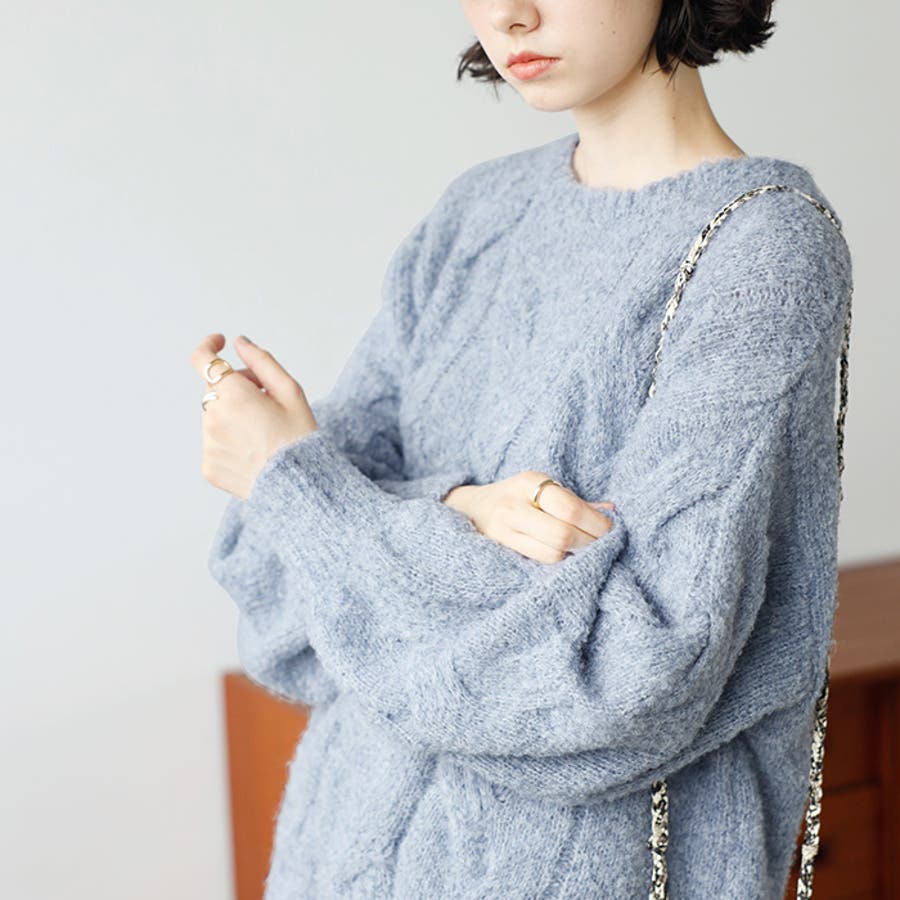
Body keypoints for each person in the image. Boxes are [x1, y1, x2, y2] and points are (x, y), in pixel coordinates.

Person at [193, 1, 854, 897]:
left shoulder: (762, 247)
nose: (510, 14)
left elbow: (628, 676)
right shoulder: (480, 212)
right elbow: (273, 597)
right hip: (332, 857)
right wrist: (461, 508)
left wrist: (302, 489)